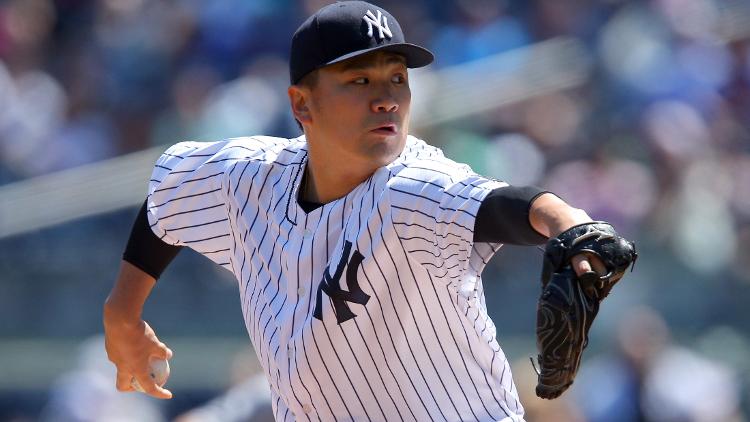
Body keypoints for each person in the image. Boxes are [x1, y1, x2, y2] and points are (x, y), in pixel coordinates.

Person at [103, 2, 608, 421]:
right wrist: (123, 313)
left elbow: (502, 205)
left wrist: (569, 224)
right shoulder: (247, 179)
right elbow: (170, 196)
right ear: (302, 104)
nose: (387, 98)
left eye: (397, 78)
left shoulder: (412, 187)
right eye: (360, 80)